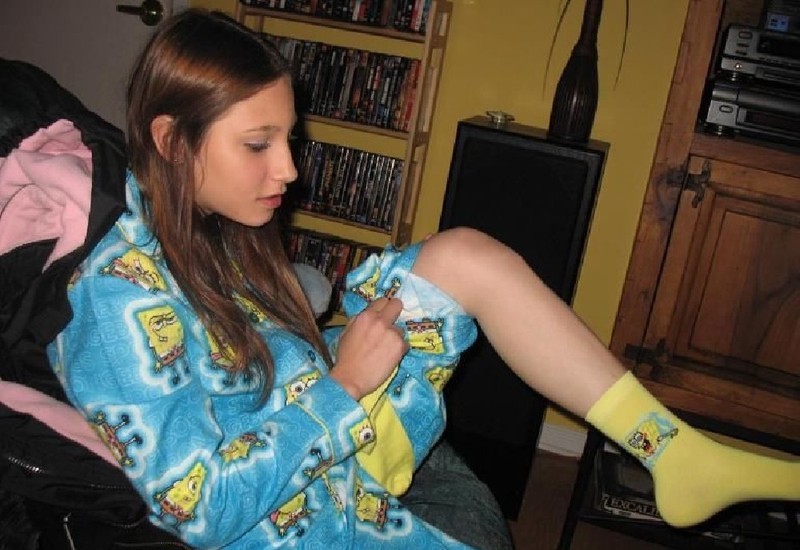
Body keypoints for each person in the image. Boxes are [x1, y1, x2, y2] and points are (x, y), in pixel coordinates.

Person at [46, 8, 799, 550]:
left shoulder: (207, 224)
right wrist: (344, 385)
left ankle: (670, 450)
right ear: (171, 140)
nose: (290, 169)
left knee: (461, 256)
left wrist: (337, 356)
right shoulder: (116, 305)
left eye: (289, 139)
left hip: (319, 406)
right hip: (303, 501)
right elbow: (199, 510)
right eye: (258, 144)